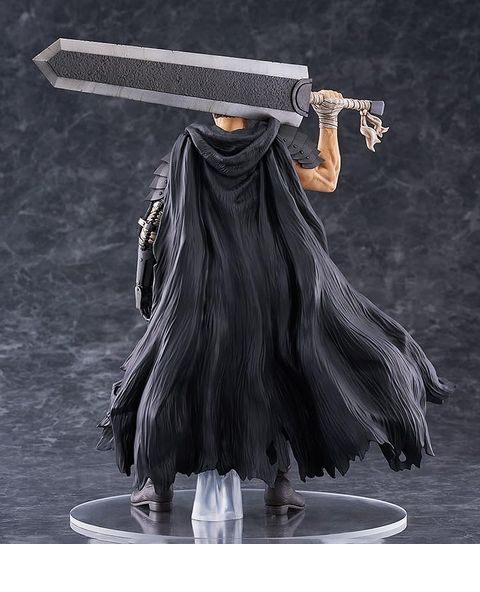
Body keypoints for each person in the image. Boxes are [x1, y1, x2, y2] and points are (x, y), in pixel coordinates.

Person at [97, 90, 453, 515]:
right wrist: (328, 119)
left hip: (198, 289)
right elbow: (327, 178)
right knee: (275, 374)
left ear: (213, 108)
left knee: (171, 374)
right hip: (268, 286)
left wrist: (147, 288)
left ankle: (158, 485)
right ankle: (280, 484)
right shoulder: (276, 147)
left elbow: (152, 228)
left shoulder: (185, 149)